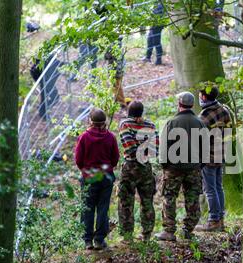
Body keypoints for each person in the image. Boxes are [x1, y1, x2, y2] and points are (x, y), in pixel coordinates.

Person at [156, 92, 207, 241]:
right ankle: (188, 230)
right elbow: (205, 148)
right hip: (193, 168)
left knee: (169, 197)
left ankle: (169, 231)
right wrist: (199, 165)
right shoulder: (200, 123)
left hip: (173, 168)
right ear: (192, 105)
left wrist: (165, 165)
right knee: (192, 199)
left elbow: (164, 147)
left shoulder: (172, 123)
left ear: (179, 104)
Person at [75, 108, 120, 250]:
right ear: (104, 122)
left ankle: (87, 240)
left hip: (89, 177)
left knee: (87, 208)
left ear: (90, 121)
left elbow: (78, 159)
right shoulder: (110, 137)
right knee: (102, 208)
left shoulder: (84, 137)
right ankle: (99, 240)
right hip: (106, 178)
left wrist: (86, 171)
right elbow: (115, 158)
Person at [117, 101, 159, 242]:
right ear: (142, 111)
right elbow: (154, 150)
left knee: (126, 202)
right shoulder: (151, 126)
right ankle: (146, 234)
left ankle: (128, 236)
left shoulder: (125, 125)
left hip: (130, 167)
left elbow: (128, 148)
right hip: (145, 166)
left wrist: (137, 150)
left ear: (129, 112)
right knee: (147, 201)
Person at [195, 86, 232, 232]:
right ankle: (220, 219)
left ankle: (214, 220)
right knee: (218, 187)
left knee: (210, 189)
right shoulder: (224, 110)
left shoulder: (204, 116)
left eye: (200, 94)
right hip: (222, 154)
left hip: (208, 157)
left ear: (203, 97)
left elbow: (199, 138)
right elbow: (229, 131)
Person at [30, 54, 64, 120]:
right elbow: (33, 68)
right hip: (43, 79)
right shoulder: (50, 61)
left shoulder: (54, 61)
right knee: (52, 97)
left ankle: (42, 109)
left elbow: (61, 64)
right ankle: (43, 112)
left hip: (46, 79)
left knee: (53, 97)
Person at [104, 36, 126, 107]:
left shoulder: (112, 45)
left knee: (116, 85)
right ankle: (117, 100)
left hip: (115, 69)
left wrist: (106, 49)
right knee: (117, 85)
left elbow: (107, 56)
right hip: (120, 68)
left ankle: (122, 102)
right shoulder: (120, 44)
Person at [142, 1, 164, 65]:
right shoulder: (156, 3)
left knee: (156, 42)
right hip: (153, 25)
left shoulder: (161, 4)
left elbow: (159, 15)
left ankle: (159, 60)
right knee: (150, 40)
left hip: (157, 25)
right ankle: (148, 57)